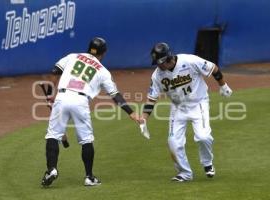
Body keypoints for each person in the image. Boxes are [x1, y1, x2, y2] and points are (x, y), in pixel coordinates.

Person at [41, 37, 140, 187]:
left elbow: (55, 72)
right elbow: (115, 95)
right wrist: (131, 112)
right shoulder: (102, 70)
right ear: (104, 53)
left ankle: (51, 169)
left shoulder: (73, 56)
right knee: (86, 140)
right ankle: (89, 177)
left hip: (62, 96)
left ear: (89, 48)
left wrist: (50, 94)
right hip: (81, 101)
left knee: (53, 135)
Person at [141, 42, 232, 182]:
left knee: (203, 137)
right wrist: (144, 119)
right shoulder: (157, 75)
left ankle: (207, 163)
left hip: (198, 103)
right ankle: (185, 173)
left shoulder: (190, 61)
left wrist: (223, 85)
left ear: (168, 58)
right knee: (173, 142)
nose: (158, 66)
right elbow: (151, 99)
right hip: (178, 108)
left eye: (160, 62)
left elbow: (213, 68)